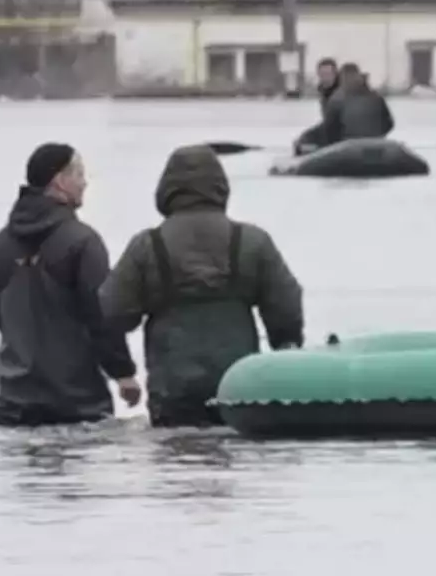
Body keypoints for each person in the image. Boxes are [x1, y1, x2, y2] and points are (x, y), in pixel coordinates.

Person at [100, 144, 306, 427]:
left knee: (178, 459)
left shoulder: (147, 246)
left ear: (166, 190)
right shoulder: (252, 240)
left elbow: (109, 312)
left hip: (173, 390)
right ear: (221, 187)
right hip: (239, 385)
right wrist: (285, 347)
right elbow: (286, 304)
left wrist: (123, 371)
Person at [0, 142, 142, 426]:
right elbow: (100, 315)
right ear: (60, 181)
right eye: (79, 174)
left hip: (12, 405)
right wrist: (123, 373)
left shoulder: (1, 245)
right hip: (77, 405)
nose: (85, 182)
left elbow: (2, 319)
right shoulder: (82, 241)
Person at [294, 59, 344, 155]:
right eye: (322, 74)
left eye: (328, 74)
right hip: (328, 127)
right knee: (301, 142)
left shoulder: (341, 92)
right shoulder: (324, 91)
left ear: (335, 74)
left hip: (342, 130)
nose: (325, 78)